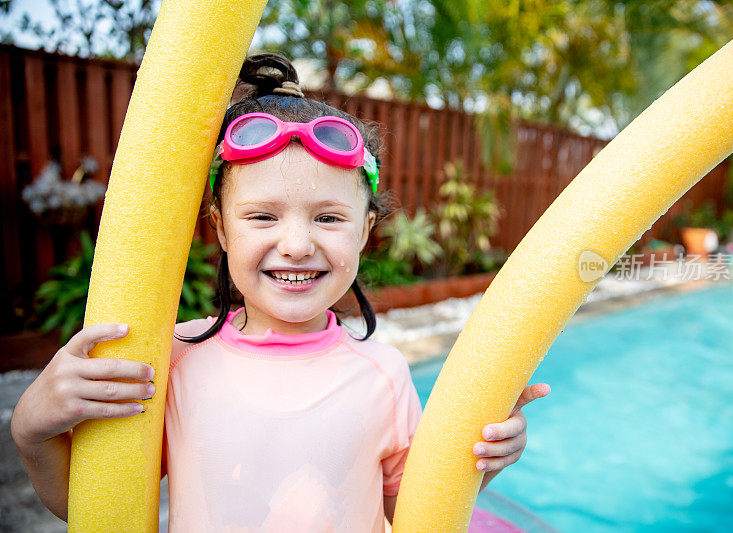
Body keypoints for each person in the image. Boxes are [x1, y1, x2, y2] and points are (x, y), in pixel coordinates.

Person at [10, 52, 551, 530]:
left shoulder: (381, 373)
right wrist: (32, 431)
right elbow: (94, 506)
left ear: (364, 231)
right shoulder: (168, 359)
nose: (296, 245)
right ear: (222, 228)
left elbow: (407, 511)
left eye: (329, 217)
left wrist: (478, 465)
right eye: (263, 216)